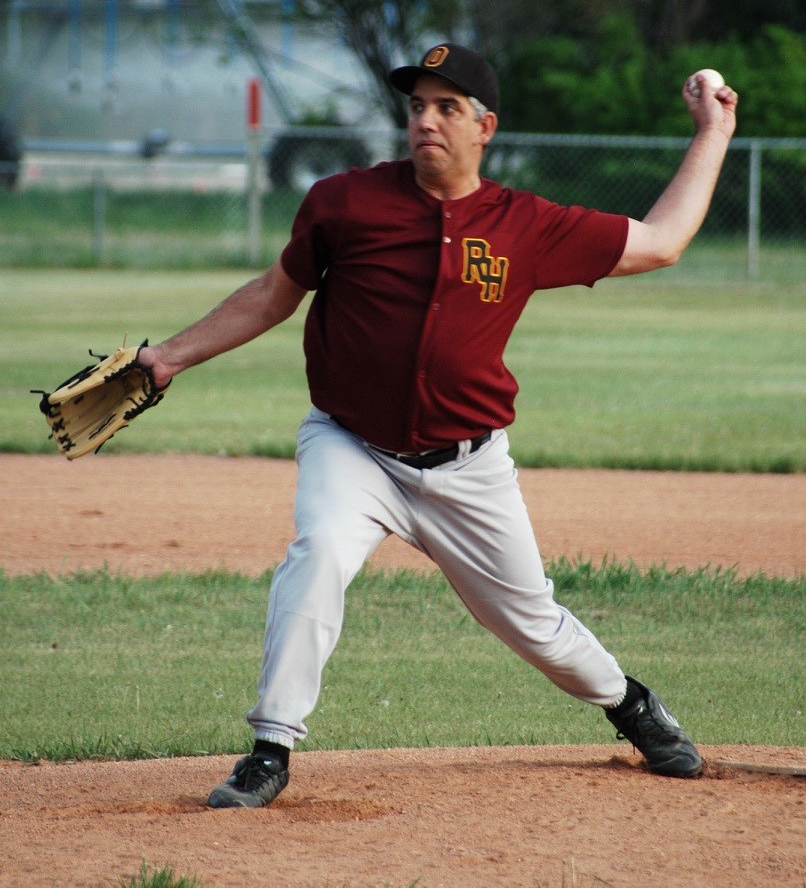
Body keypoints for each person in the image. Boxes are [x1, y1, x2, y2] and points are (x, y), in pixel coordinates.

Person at [139, 43, 738, 807]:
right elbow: (272, 294)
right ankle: (269, 750)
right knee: (318, 552)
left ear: (485, 126)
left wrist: (712, 133)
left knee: (532, 624)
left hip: (468, 468)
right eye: (418, 105)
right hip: (351, 445)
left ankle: (630, 703)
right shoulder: (343, 202)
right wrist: (168, 359)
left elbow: (663, 242)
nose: (426, 119)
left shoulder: (526, 224)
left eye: (447, 107)